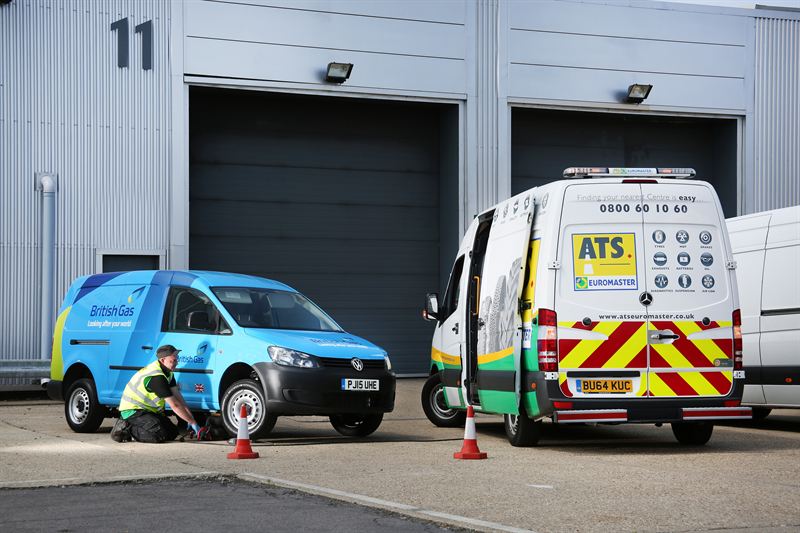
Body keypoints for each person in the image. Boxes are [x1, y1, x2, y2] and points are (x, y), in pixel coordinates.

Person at [110, 344, 200, 443]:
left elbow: (180, 400)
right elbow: (174, 405)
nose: (177, 362)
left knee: (172, 433)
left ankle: (135, 428)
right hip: (133, 411)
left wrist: (190, 419)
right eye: (173, 360)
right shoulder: (157, 377)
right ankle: (126, 428)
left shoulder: (168, 373)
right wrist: (192, 422)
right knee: (158, 435)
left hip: (149, 411)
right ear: (162, 360)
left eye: (177, 359)